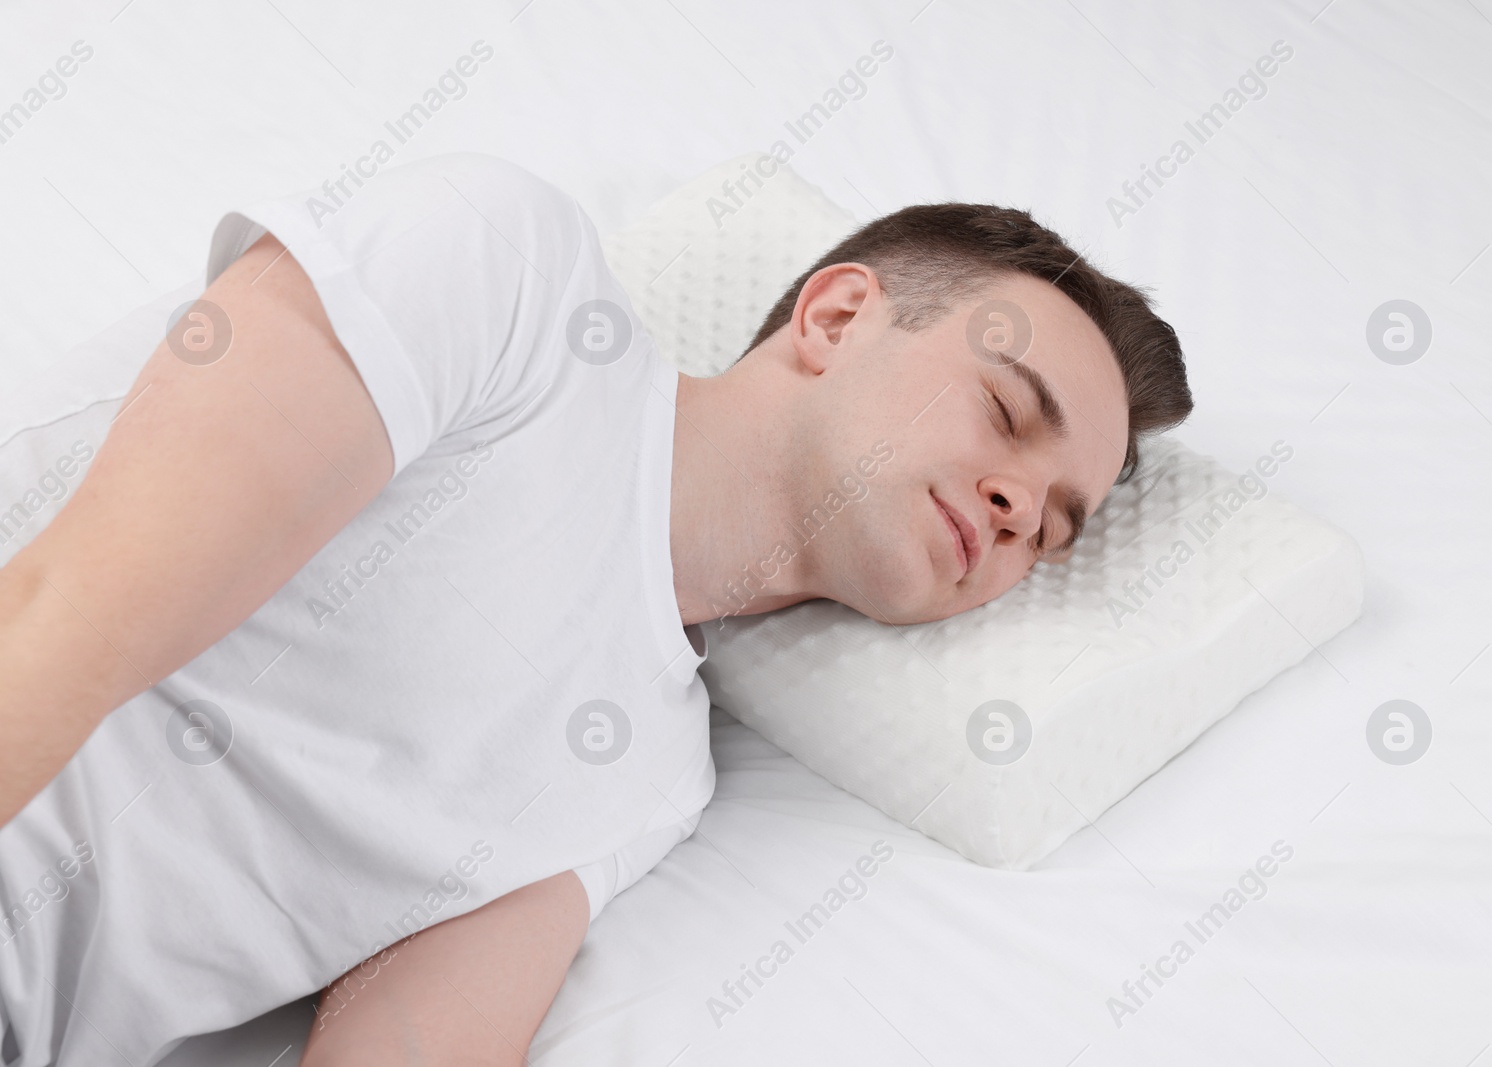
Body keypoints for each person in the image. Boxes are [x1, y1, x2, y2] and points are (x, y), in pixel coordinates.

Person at [0, 152, 1190, 1065]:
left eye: (1051, 526)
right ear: (836, 319)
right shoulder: (511, 285)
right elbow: (65, 615)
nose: (1016, 505)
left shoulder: (648, 784)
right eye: (1003, 409)